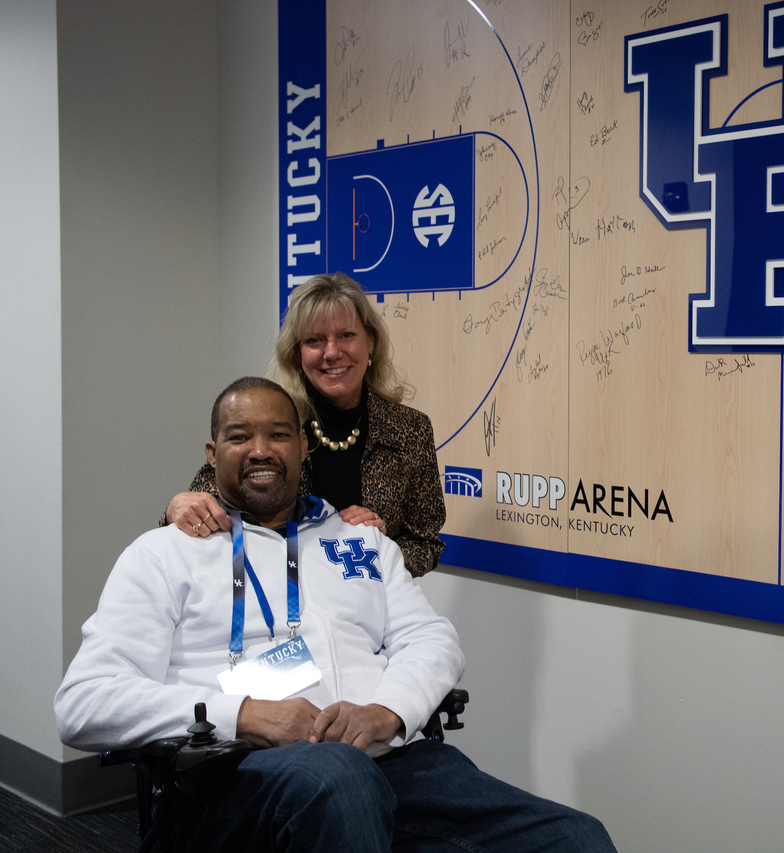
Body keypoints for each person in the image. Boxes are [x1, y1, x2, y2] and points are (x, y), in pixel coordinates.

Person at [56, 377, 615, 852]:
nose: (260, 449)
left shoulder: (360, 541)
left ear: (303, 447)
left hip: (384, 760)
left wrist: (388, 712)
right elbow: (83, 703)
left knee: (576, 837)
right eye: (239, 436)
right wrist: (244, 714)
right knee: (339, 782)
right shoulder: (163, 553)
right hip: (233, 775)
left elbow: (430, 639)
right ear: (211, 454)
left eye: (278, 434)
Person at [163, 273, 445, 576]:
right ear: (297, 355)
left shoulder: (410, 430)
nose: (332, 352)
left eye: (347, 335)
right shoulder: (269, 421)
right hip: (268, 599)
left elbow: (425, 544)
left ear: (371, 342)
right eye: (314, 340)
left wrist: (379, 547)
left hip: (368, 609)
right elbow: (198, 512)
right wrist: (174, 511)